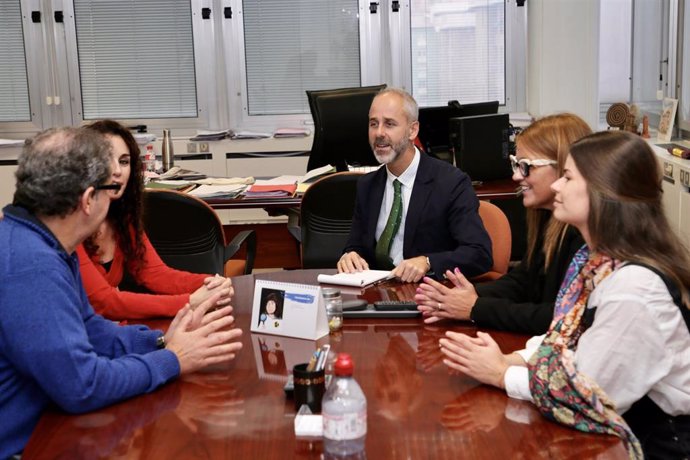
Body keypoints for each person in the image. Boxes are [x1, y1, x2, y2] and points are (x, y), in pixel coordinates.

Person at [439, 131, 690, 458]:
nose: (557, 185)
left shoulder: (634, 289)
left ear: (604, 192)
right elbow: (569, 341)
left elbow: (585, 392)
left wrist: (502, 374)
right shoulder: (600, 262)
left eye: (568, 177)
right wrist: (510, 360)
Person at [0, 127, 243, 459]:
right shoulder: (32, 265)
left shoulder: (45, 243)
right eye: (108, 187)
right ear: (88, 200)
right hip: (24, 447)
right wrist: (172, 360)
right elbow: (82, 387)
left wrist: (157, 341)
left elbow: (91, 328)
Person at [415, 113, 591, 334]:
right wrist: (463, 296)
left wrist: (476, 307)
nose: (516, 176)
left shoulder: (585, 235)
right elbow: (524, 280)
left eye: (526, 166)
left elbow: (561, 317)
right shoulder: (550, 220)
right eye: (516, 164)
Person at [76, 120, 232, 320]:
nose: (117, 171)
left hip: (109, 331)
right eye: (106, 159)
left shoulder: (122, 217)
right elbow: (104, 303)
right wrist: (191, 302)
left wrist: (211, 282)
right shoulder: (71, 224)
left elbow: (155, 275)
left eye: (124, 161)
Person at [338, 88, 492, 283]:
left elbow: (479, 254)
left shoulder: (450, 182)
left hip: (427, 294)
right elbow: (356, 246)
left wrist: (428, 262)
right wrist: (350, 255)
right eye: (373, 124)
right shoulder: (367, 185)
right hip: (378, 293)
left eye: (390, 124)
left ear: (413, 130)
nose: (379, 133)